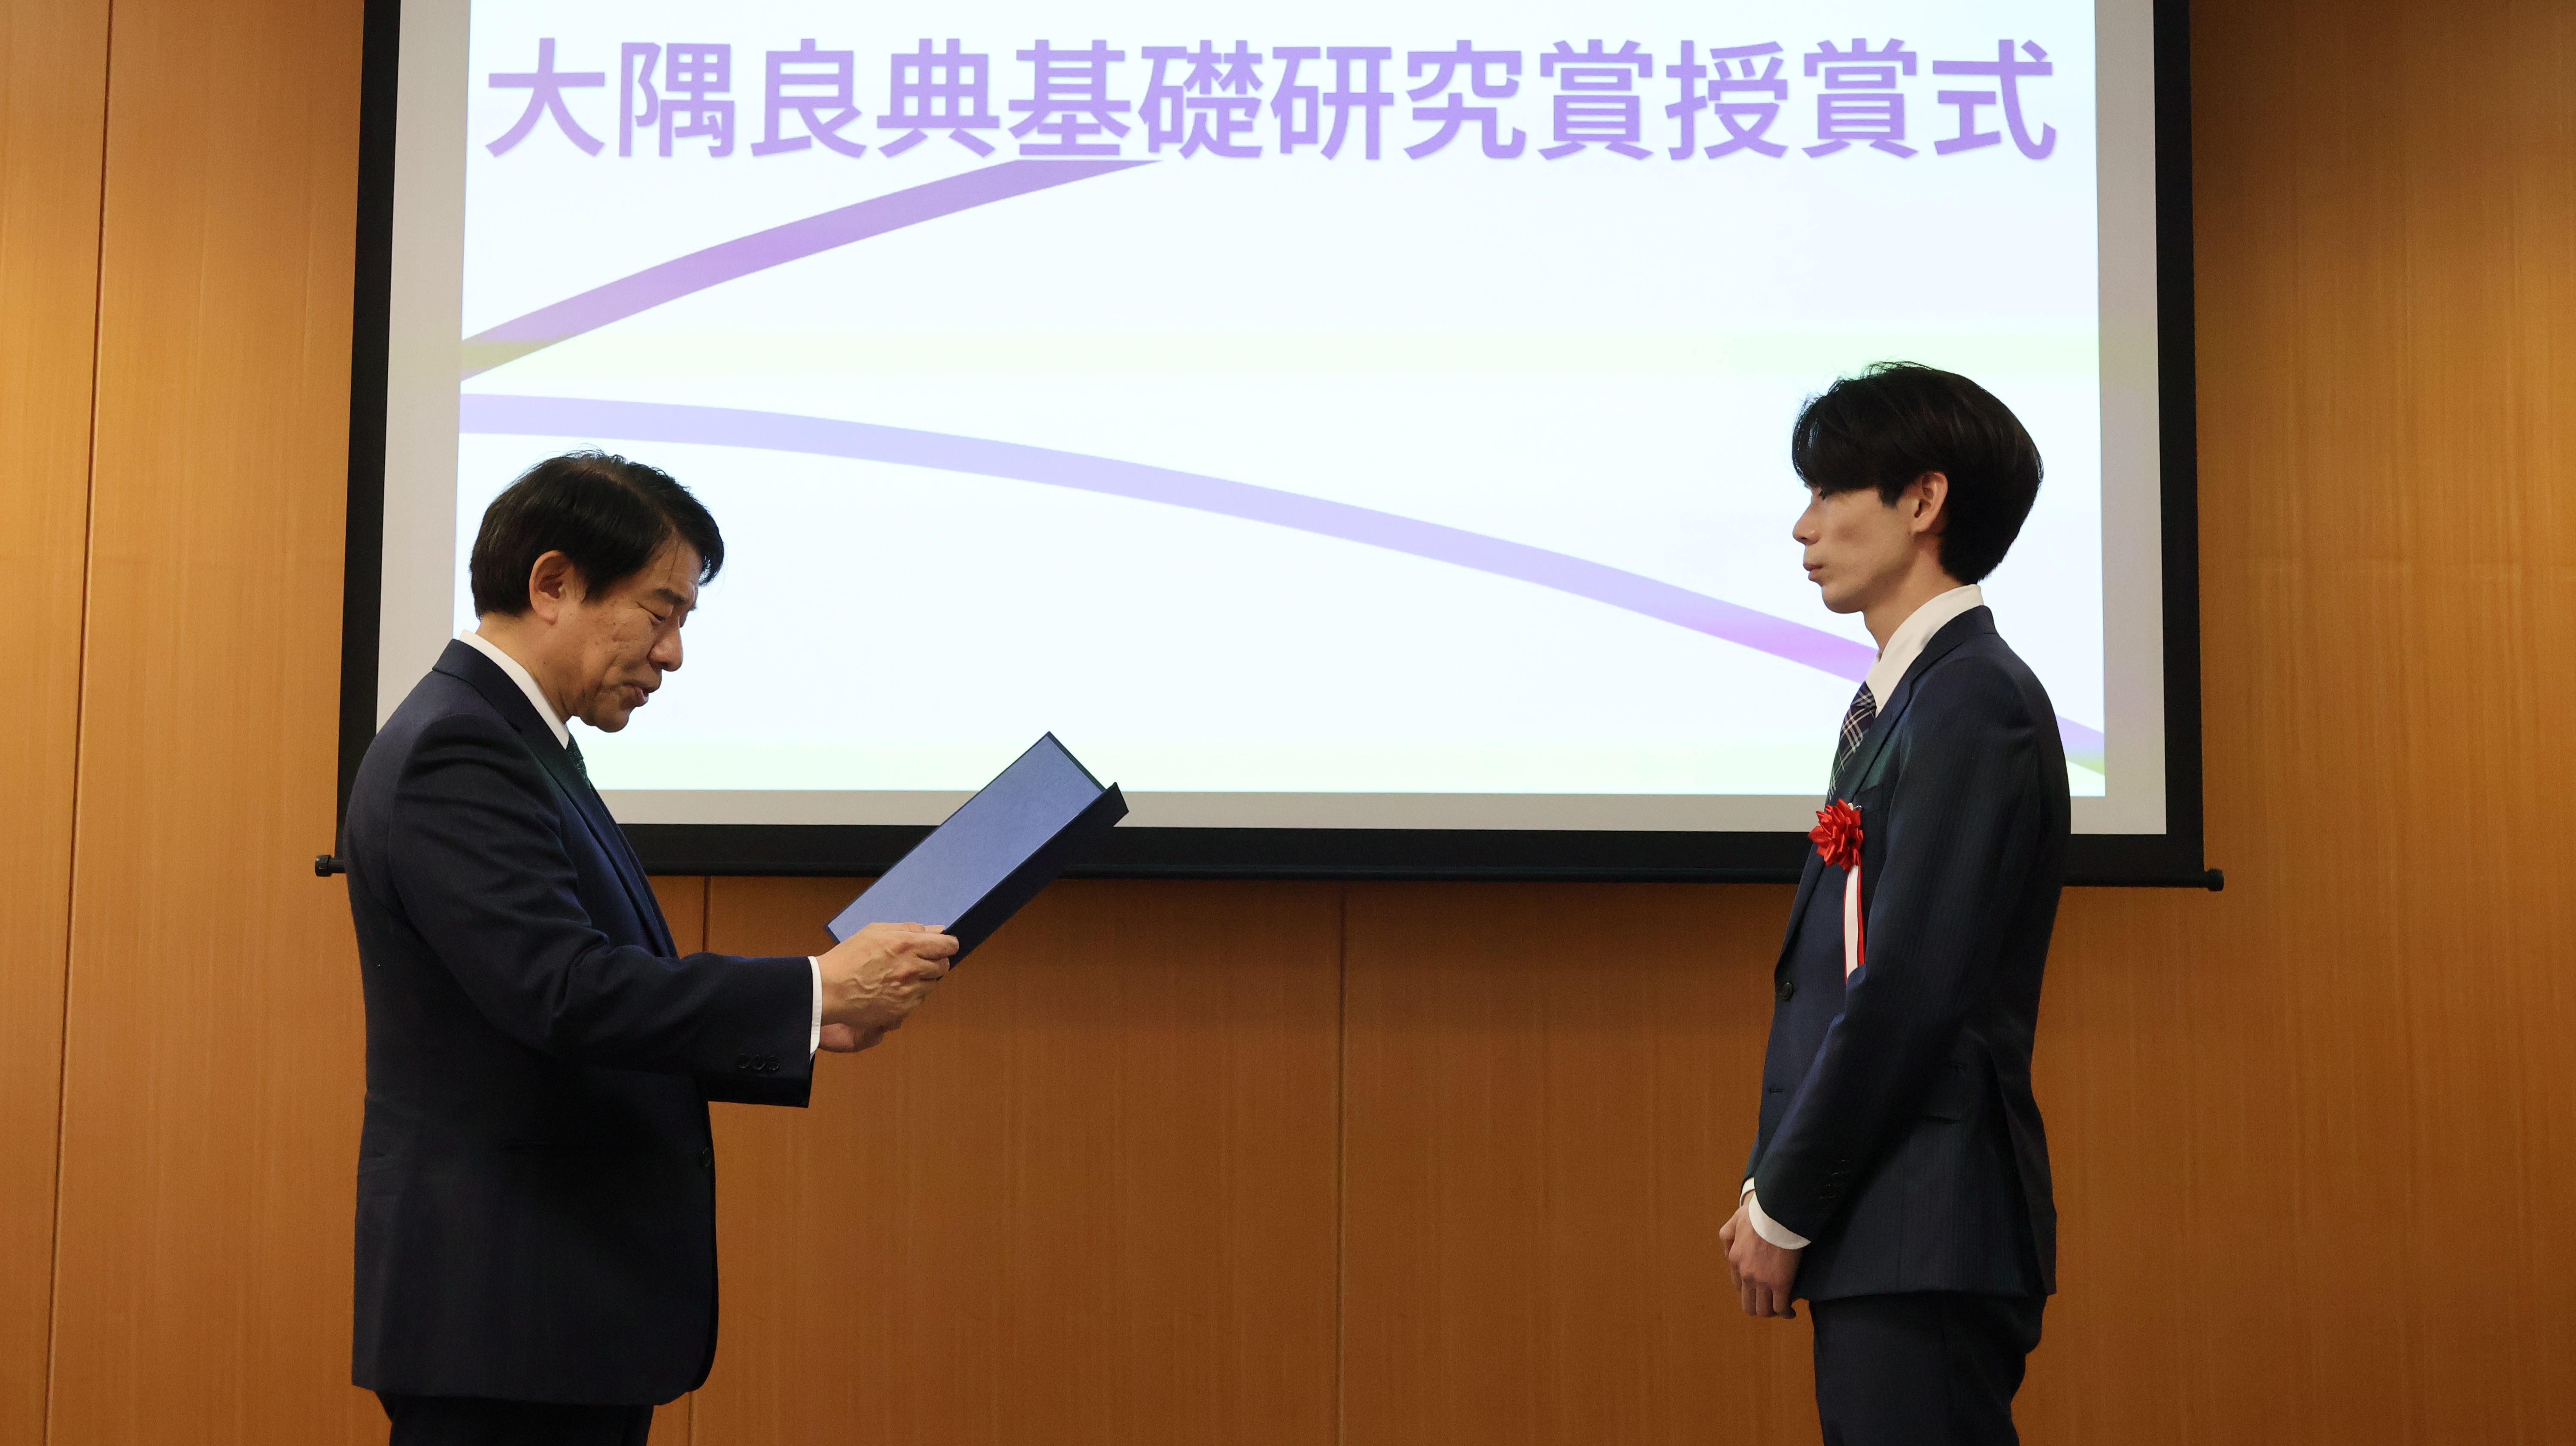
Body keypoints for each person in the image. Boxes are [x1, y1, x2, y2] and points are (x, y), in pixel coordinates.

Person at [341, 451, 959, 1445]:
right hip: (508, 1316)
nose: (671, 655)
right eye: (661, 613)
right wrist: (809, 989)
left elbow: (583, 989)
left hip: (543, 1316)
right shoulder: (463, 749)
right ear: (553, 584)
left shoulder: (517, 739)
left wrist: (810, 1021)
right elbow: (564, 992)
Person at [1720, 364, 2068, 1445]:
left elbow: (1910, 985)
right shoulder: (1910, 692)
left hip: (1928, 1220)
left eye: (1830, 490)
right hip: (1890, 1219)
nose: (1802, 525)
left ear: (1923, 503)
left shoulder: (1974, 699)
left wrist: (1785, 1196)